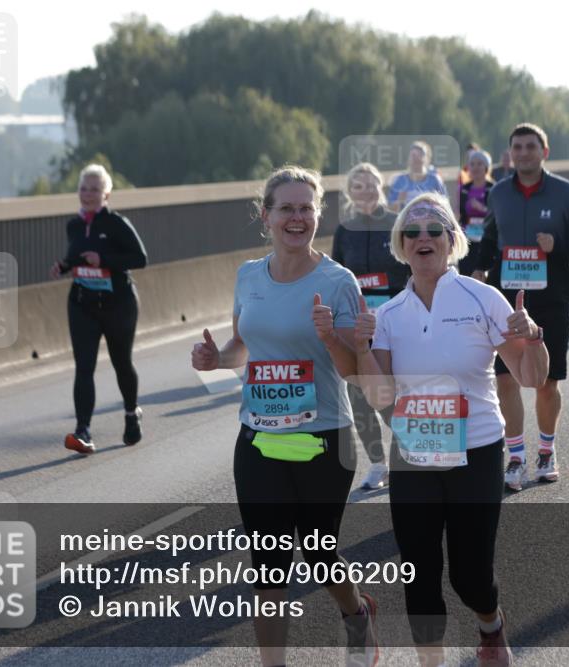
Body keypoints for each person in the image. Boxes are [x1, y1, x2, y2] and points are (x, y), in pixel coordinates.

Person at [192, 165, 379, 667]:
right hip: (259, 439)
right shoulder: (248, 276)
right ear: (266, 216)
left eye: (306, 208)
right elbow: (241, 347)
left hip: (321, 438)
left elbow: (350, 369)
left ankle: (357, 613)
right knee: (269, 564)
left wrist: (331, 337)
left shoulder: (338, 282)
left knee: (319, 556)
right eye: (286, 209)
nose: (297, 218)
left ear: (318, 214)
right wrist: (216, 360)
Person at [354, 193, 549, 667]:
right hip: (414, 457)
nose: (424, 237)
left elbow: (531, 377)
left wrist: (534, 337)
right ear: (401, 245)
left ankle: (491, 626)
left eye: (434, 229)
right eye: (413, 231)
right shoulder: (389, 315)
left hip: (476, 452)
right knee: (418, 573)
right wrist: (361, 345)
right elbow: (379, 397)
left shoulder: (482, 298)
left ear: (451, 240)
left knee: (470, 576)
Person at [474, 123, 569, 491]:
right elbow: (490, 237)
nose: (524, 153)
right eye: (517, 147)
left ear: (545, 152)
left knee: (545, 382)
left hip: (550, 299)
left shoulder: (565, 193)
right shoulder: (499, 193)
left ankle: (546, 450)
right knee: (504, 381)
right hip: (505, 302)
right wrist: (479, 269)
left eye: (531, 147)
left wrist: (556, 244)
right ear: (510, 153)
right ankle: (516, 457)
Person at [49, 164, 147, 454]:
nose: (87, 194)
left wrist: (103, 259)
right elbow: (75, 256)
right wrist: (64, 265)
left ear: (106, 194)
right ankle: (83, 431)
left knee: (121, 363)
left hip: (119, 304)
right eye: (83, 188)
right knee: (84, 366)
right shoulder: (74, 225)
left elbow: (140, 258)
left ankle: (131, 413)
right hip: (82, 303)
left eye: (94, 189)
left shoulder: (117, 224)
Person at [332, 162, 410, 490]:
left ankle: (409, 448)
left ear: (381, 188)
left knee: (392, 395)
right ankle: (378, 464)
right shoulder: (344, 229)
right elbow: (335, 276)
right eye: (358, 186)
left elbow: (413, 269)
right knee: (359, 395)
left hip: (393, 322)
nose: (366, 191)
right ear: (350, 192)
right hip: (355, 327)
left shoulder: (396, 223)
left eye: (371, 185)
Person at [459, 149, 494, 277]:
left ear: (486, 167)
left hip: (487, 240)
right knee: (467, 275)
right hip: (467, 241)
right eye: (472, 164)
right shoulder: (463, 189)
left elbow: (498, 216)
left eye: (479, 164)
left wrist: (482, 209)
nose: (475, 167)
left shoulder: (494, 188)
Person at [389, 141, 447, 212]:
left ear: (428, 159)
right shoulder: (400, 180)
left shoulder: (434, 180)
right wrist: (399, 201)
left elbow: (446, 204)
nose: (416, 158)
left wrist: (435, 202)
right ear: (408, 158)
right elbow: (390, 209)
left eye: (421, 154)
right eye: (413, 155)